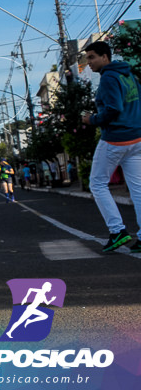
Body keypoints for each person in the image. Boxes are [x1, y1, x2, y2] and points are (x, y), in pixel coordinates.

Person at [81, 40, 141, 254]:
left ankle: (117, 231)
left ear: (105, 57)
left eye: (92, 57)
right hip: (137, 138)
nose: (89, 63)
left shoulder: (108, 78)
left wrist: (92, 120)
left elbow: (113, 109)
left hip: (116, 138)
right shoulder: (129, 76)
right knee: (138, 189)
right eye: (88, 58)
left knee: (97, 183)